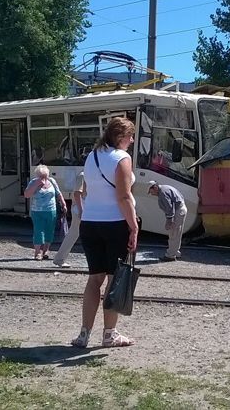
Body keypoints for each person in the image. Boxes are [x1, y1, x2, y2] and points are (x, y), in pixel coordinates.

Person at [71, 117, 138, 349]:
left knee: (94, 279)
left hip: (90, 223)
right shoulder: (122, 159)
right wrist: (134, 226)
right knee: (113, 279)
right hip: (115, 223)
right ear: (120, 137)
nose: (132, 140)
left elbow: (89, 190)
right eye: (130, 136)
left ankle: (83, 334)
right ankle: (109, 334)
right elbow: (123, 196)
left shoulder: (92, 156)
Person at [24, 164, 66, 260]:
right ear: (37, 176)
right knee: (39, 231)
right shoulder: (33, 182)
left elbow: (58, 193)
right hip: (37, 211)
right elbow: (27, 195)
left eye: (45, 176)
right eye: (41, 176)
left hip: (51, 210)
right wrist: (36, 184)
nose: (43, 178)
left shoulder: (52, 181)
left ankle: (46, 250)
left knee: (49, 231)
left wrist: (63, 204)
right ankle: (37, 253)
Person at [147, 181, 187, 261]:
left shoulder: (163, 193)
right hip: (181, 209)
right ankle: (175, 252)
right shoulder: (165, 187)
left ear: (155, 188)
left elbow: (169, 208)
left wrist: (169, 221)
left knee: (173, 233)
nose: (151, 194)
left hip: (178, 211)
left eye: (151, 192)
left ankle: (170, 256)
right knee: (177, 233)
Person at [52, 172, 85, 268]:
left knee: (74, 234)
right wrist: (81, 210)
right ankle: (59, 259)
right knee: (73, 234)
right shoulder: (83, 175)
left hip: (84, 209)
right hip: (81, 209)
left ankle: (59, 258)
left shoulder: (88, 174)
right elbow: (77, 193)